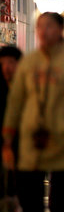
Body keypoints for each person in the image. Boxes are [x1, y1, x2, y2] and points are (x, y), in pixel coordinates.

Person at [2, 13, 64, 212]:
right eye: (39, 26)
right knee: (30, 201)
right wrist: (7, 137)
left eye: (49, 26)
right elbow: (15, 102)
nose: (43, 31)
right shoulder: (29, 63)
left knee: (62, 202)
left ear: (60, 29)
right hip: (32, 143)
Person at [0, 45, 21, 206]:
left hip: (24, 151)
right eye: (2, 64)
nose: (6, 68)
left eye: (11, 63)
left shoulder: (28, 89)